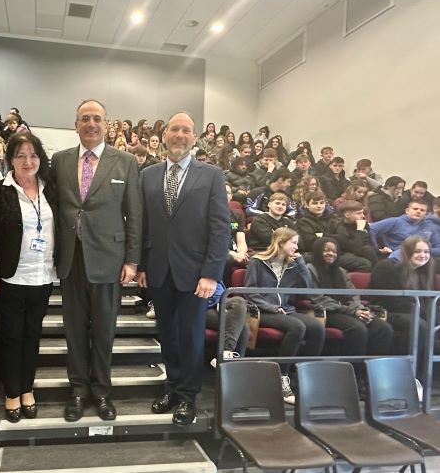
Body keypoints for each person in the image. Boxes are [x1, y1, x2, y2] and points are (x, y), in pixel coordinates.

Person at [51, 99, 141, 422]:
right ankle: (77, 390)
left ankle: (102, 391)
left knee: (104, 331)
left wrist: (132, 260)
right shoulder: (59, 161)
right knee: (74, 330)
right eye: (84, 118)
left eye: (97, 119)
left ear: (107, 124)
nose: (91, 123)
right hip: (71, 259)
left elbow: (135, 214)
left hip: (109, 260)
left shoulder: (126, 162)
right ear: (76, 125)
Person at [136, 112, 229, 425]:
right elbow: (142, 225)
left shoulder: (212, 174)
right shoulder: (147, 175)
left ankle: (189, 397)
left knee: (191, 337)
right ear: (165, 135)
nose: (179, 135)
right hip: (159, 270)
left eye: (186, 130)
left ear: (194, 137)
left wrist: (211, 274)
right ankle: (173, 387)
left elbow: (220, 229)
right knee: (167, 334)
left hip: (195, 274)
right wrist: (142, 265)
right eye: (174, 129)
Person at [0, 132, 57, 423]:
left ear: (40, 159)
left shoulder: (51, 189)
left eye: (33, 155)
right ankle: (11, 393)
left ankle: (27, 389)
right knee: (10, 338)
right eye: (21, 155)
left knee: (32, 337)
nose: (28, 161)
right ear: (11, 159)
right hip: (9, 279)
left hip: (42, 276)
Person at [244, 227, 324, 404]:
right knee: (297, 327)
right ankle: (282, 376)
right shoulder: (257, 261)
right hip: (262, 311)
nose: (297, 247)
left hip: (286, 310)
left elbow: (308, 290)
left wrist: (302, 265)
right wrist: (270, 307)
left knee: (317, 327)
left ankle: (304, 373)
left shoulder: (294, 265)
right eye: (293, 242)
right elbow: (250, 292)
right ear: (281, 242)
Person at [307, 237, 393, 356]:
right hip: (327, 312)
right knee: (358, 329)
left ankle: (372, 368)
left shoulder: (341, 271)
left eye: (334, 251)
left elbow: (352, 294)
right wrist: (353, 311)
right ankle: (354, 369)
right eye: (326, 250)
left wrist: (360, 309)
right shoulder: (310, 271)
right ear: (317, 251)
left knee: (383, 328)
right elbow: (318, 298)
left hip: (348, 310)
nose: (331, 254)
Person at [369, 236, 436, 385]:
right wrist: (425, 312)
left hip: (415, 312)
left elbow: (428, 300)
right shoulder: (386, 267)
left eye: (426, 252)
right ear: (407, 252)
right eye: (417, 251)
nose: (423, 255)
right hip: (385, 312)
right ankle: (414, 378)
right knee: (421, 325)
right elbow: (389, 301)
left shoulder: (424, 272)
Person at [370, 200, 440, 260]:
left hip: (421, 259)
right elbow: (371, 229)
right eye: (415, 209)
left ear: (426, 214)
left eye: (422, 210)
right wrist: (376, 249)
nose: (418, 211)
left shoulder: (431, 227)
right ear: (407, 210)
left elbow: (438, 249)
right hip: (396, 257)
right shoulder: (395, 221)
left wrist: (421, 251)